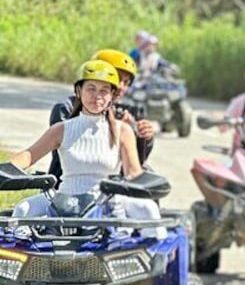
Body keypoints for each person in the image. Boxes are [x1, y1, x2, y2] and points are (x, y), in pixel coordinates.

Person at [9, 60, 162, 235]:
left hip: (107, 201)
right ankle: (18, 261)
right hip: (64, 198)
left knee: (149, 209)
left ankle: (155, 261)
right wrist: (7, 169)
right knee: (22, 209)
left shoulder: (123, 130)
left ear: (112, 95)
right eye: (91, 88)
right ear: (78, 91)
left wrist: (153, 182)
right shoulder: (61, 129)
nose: (97, 96)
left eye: (104, 91)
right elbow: (28, 155)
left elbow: (133, 174)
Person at [48, 48, 155, 181]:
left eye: (127, 83)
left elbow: (136, 165)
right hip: (67, 186)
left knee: (148, 175)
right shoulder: (66, 108)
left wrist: (142, 137)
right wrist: (116, 131)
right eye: (117, 78)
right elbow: (82, 153)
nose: (121, 87)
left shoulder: (128, 113)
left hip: (111, 188)